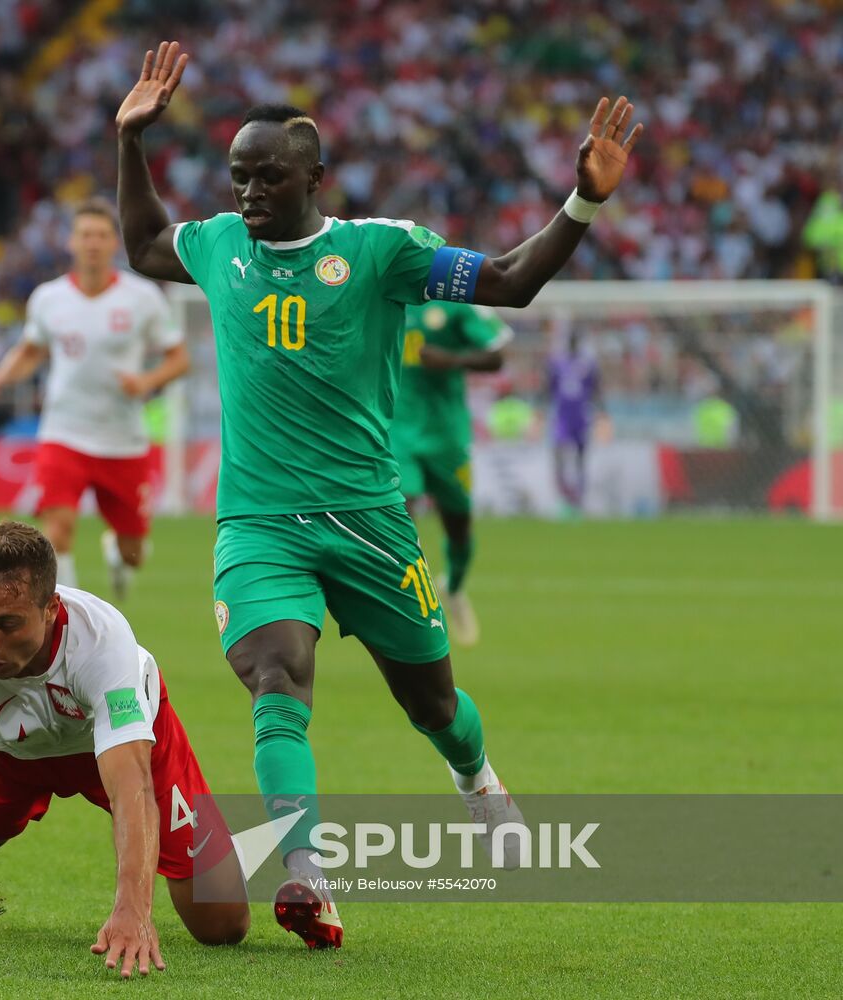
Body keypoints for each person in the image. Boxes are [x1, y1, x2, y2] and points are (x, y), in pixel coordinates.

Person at [115, 41, 642, 948]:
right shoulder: (218, 245)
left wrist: (584, 200)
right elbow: (142, 243)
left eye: (268, 177)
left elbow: (511, 282)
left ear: (315, 178)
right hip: (260, 523)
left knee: (433, 706)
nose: (248, 193)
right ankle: (307, 874)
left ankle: (477, 779)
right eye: (238, 176)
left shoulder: (379, 251)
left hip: (369, 522)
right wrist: (129, 139)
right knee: (276, 674)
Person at [0, 521, 249, 977]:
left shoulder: (101, 640)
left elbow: (131, 789)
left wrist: (132, 911)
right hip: (10, 756)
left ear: (51, 609)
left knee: (224, 925)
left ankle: (251, 846)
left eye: (7, 623)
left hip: (119, 747)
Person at [0, 199, 190, 600]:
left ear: (114, 243)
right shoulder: (49, 297)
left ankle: (116, 554)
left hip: (123, 439)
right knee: (57, 532)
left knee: (134, 552)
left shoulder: (142, 297)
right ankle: (71, 620)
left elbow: (179, 359)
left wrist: (146, 381)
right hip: (64, 432)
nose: (93, 243)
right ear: (71, 242)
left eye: (101, 235)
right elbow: (31, 350)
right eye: (85, 235)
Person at [395, 302, 513, 646]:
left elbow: (498, 355)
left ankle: (454, 587)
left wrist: (452, 360)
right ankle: (411, 607)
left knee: (458, 527)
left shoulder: (456, 299)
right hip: (398, 431)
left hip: (447, 435)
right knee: (400, 515)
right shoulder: (385, 287)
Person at [547, 330, 602, 515]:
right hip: (563, 416)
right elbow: (549, 387)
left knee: (580, 458)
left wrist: (602, 409)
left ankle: (580, 498)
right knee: (559, 454)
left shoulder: (588, 364)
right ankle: (563, 496)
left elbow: (596, 388)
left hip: (581, 415)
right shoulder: (557, 363)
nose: (572, 344)